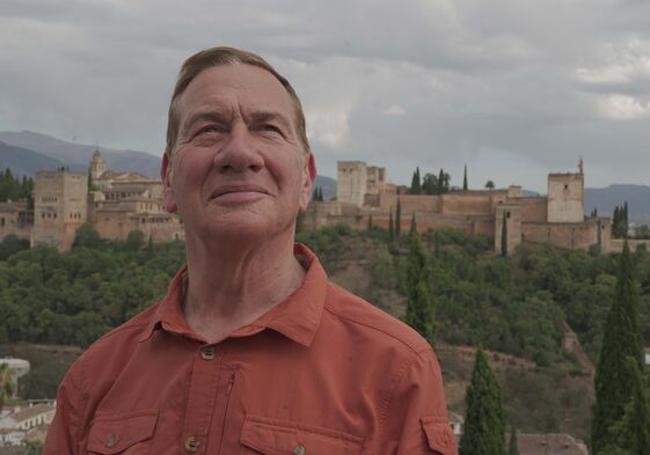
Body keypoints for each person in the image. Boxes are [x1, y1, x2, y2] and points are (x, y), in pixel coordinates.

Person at [44, 46, 455, 455]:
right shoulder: (92, 381)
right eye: (209, 129)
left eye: (268, 129)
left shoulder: (397, 371)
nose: (239, 153)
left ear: (307, 180)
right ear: (167, 181)